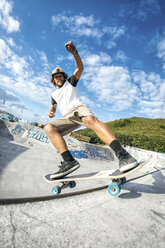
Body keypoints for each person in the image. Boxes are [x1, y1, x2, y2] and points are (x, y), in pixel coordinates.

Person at [45, 41, 138, 179]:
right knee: (49, 127)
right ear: (53, 80)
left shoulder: (70, 82)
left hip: (77, 109)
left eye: (60, 76)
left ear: (64, 77)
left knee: (90, 119)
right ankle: (69, 162)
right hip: (67, 117)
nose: (58, 78)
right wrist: (51, 112)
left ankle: (124, 156)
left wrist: (75, 53)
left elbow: (79, 68)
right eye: (56, 77)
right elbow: (53, 107)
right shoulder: (53, 94)